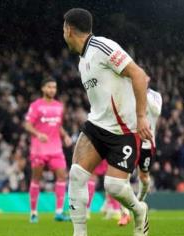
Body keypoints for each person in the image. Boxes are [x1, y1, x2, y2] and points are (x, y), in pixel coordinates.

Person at [63, 8, 152, 236]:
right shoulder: (82, 61)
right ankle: (79, 233)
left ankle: (139, 210)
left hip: (124, 130)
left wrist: (142, 116)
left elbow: (139, 75)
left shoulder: (102, 47)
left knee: (113, 187)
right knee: (76, 175)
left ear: (68, 29)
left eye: (63, 30)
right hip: (97, 126)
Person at [24, 78, 72, 223]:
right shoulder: (36, 106)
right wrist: (38, 134)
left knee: (62, 177)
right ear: (43, 89)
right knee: (36, 179)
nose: (52, 90)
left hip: (56, 148)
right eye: (49, 87)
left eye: (54, 87)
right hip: (39, 149)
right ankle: (33, 213)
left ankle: (58, 212)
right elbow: (27, 125)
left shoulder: (59, 106)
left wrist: (65, 136)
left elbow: (58, 125)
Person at [118, 87, 162, 226]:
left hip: (147, 144)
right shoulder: (126, 94)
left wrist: (143, 94)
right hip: (129, 142)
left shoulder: (155, 95)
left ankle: (139, 203)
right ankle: (124, 213)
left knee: (144, 178)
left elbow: (156, 111)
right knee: (121, 178)